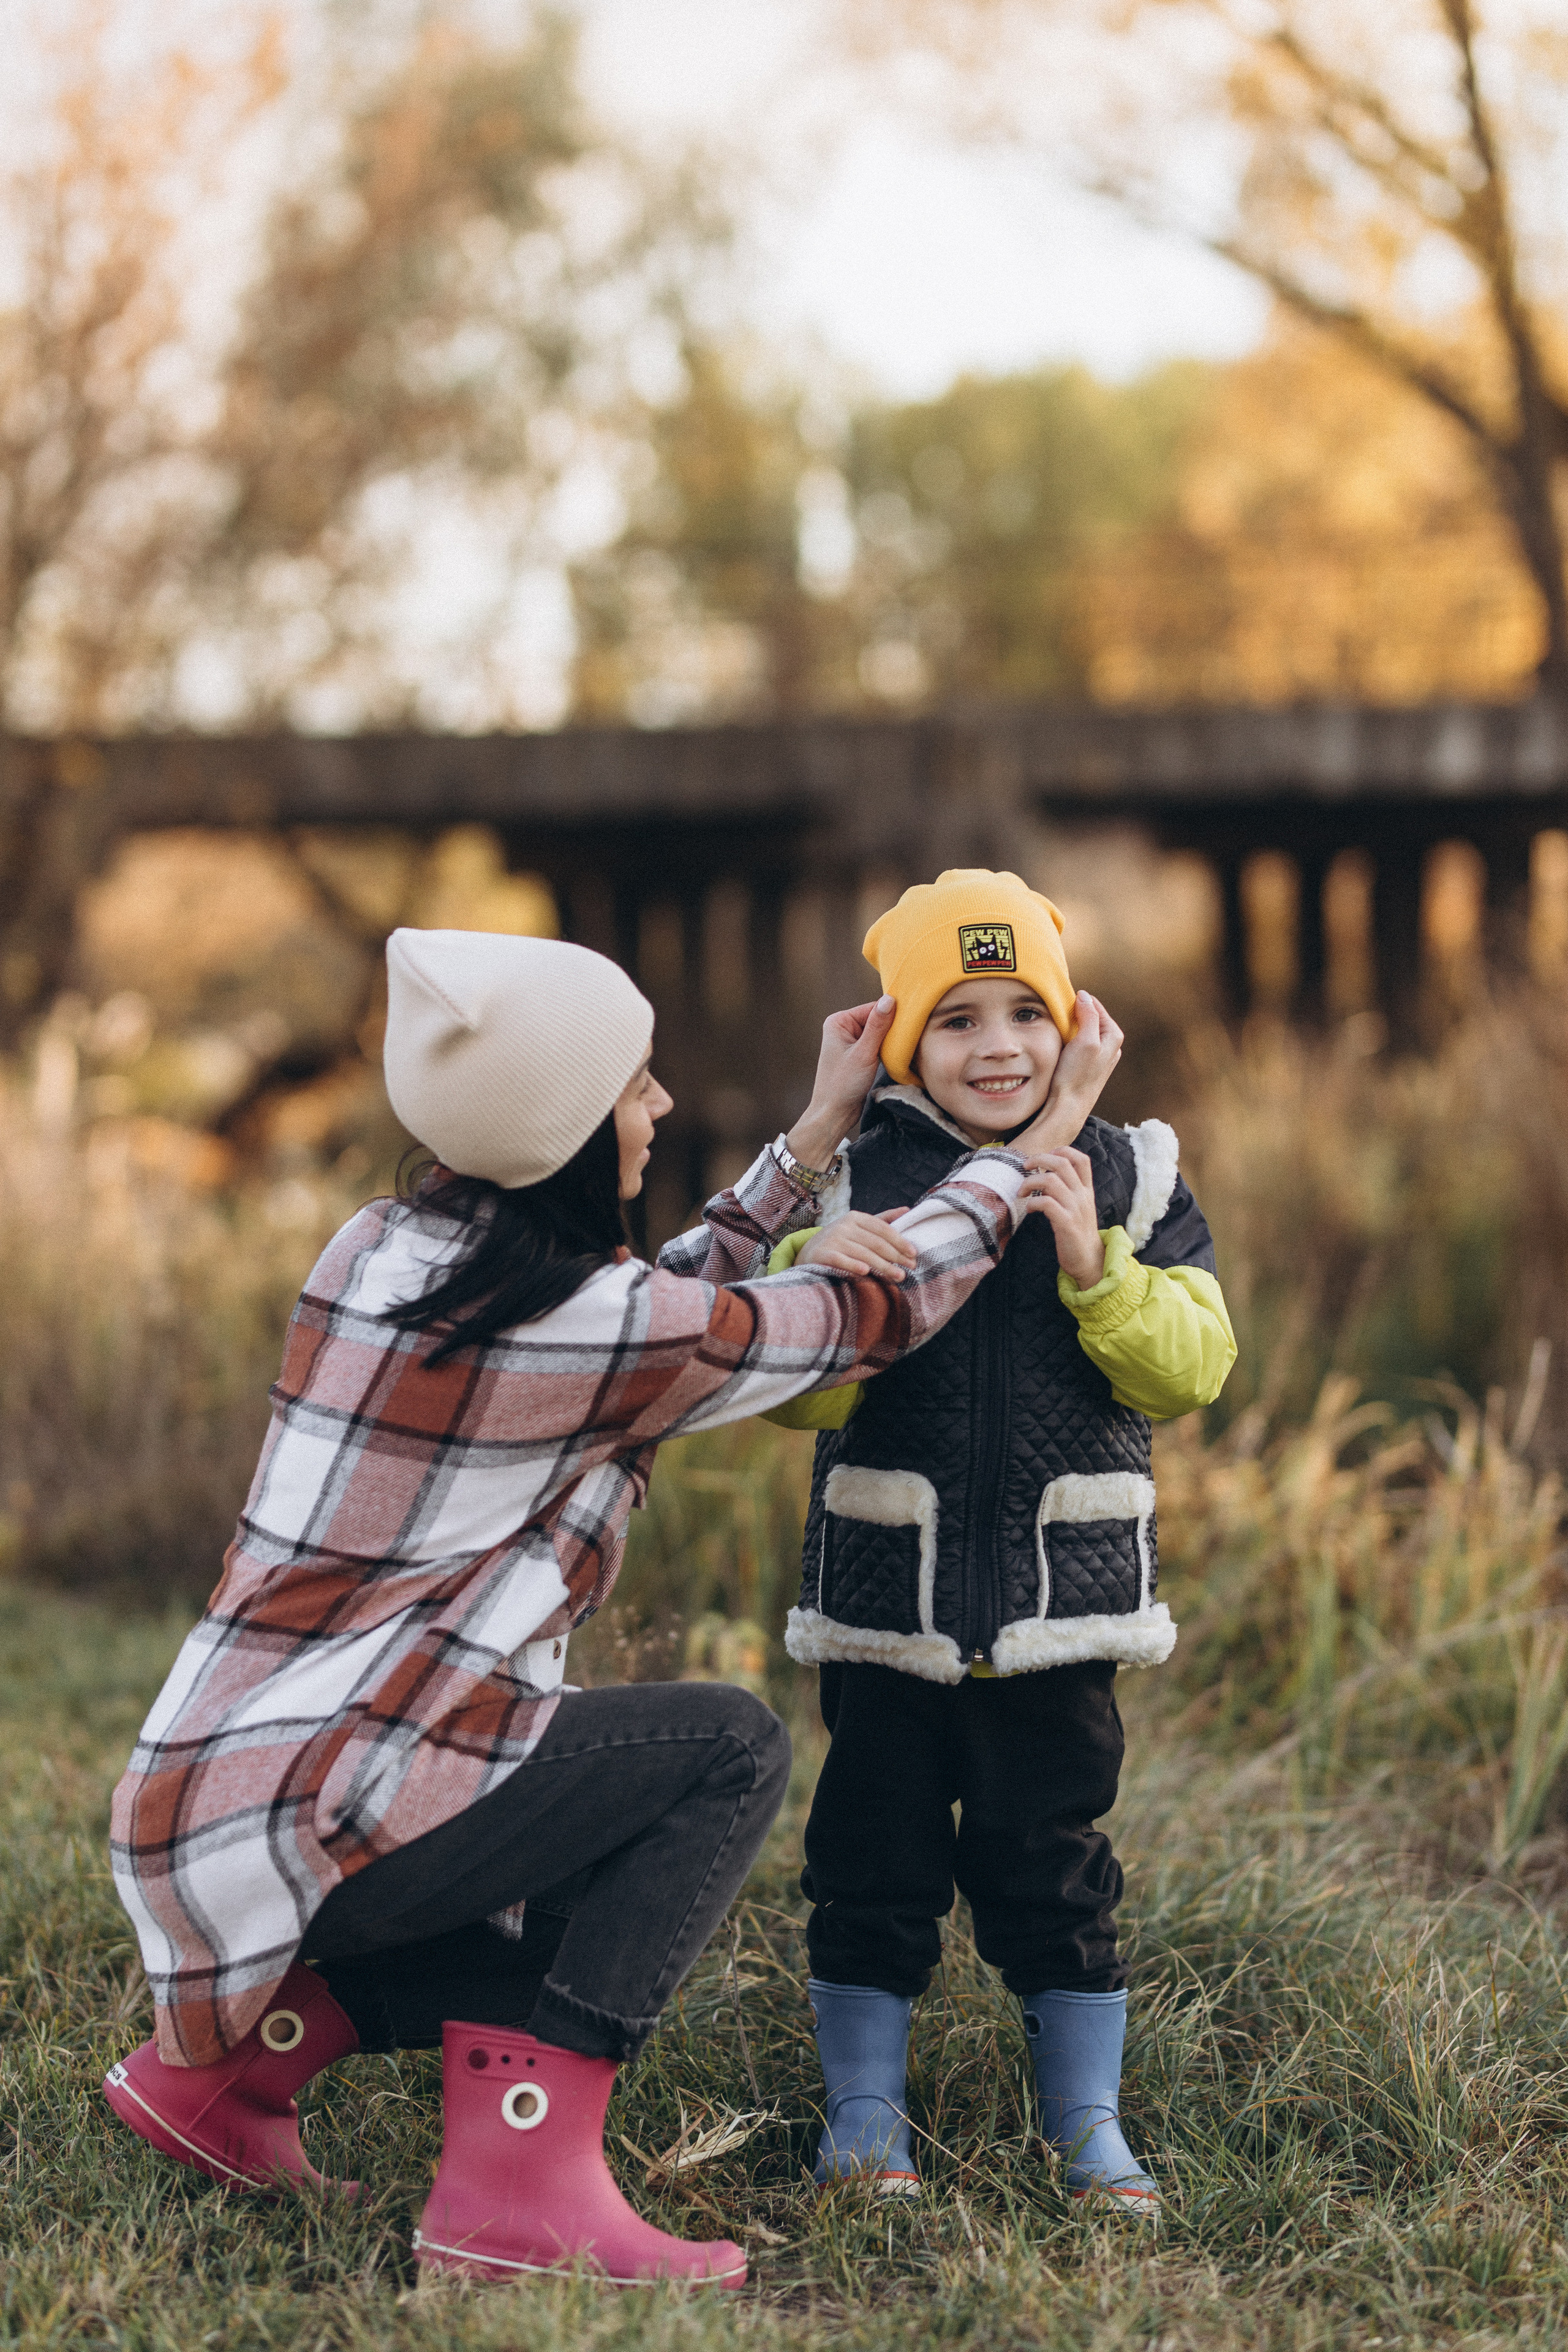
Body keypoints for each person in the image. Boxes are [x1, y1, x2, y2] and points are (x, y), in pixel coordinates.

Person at [102, 923, 1123, 2288]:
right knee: (719, 1750)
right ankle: (514, 2187)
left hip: (219, 1805)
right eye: (635, 1086)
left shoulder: (384, 1249)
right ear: (569, 1126)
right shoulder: (588, 1326)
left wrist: (809, 1141)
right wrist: (1031, 1142)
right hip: (332, 1808)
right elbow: (858, 1319)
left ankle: (229, 2082)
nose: (658, 1106)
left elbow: (645, 1306)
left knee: (547, 1779)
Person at [766, 869, 1236, 2214]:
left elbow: (1191, 1368)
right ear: (903, 1036)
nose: (995, 1049)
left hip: (1056, 1604)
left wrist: (1099, 1270)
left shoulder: (1133, 1172)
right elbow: (785, 1394)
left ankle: (1083, 2122)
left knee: (1054, 1864)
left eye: (1020, 1014)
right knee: (869, 1865)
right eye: (956, 1018)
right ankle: (864, 2119)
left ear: (1065, 1023)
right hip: (888, 1605)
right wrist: (822, 1288)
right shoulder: (856, 1178)